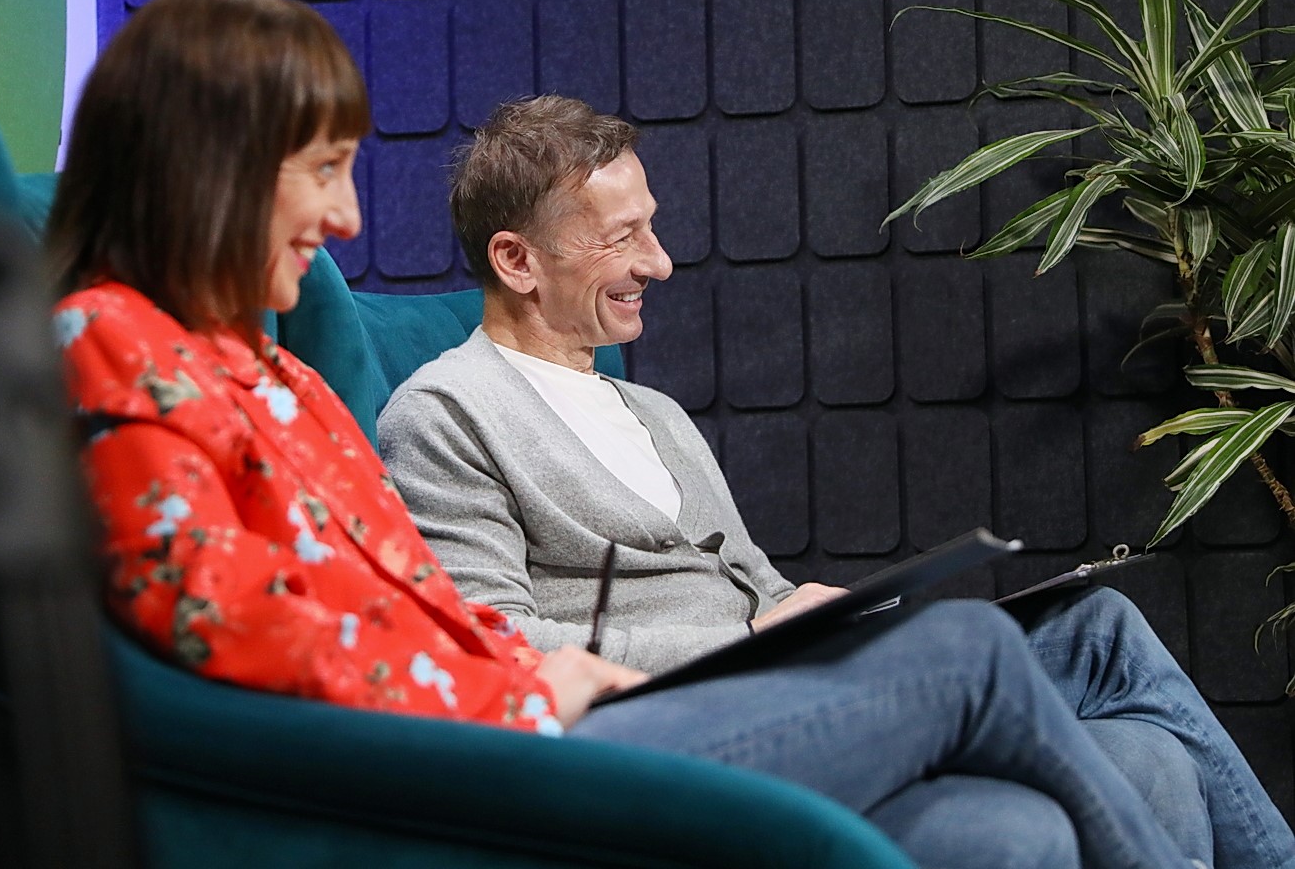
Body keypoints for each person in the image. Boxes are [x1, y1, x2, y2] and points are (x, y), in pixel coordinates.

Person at [45, 0, 1211, 869]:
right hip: (475, 760)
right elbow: (223, 620)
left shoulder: (281, 380)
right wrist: (522, 687)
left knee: (1018, 820)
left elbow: (426, 606)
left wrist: (548, 668)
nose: (349, 217)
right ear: (210, 167)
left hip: (529, 716)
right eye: (325, 168)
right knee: (967, 651)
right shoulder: (106, 342)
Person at [377, 95, 1295, 869]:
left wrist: (815, 612)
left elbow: (752, 585)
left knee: (1106, 648)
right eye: (625, 238)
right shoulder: (446, 412)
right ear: (517, 261)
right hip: (684, 719)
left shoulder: (652, 411)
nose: (659, 262)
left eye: (651, 227)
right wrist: (748, 637)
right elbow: (492, 642)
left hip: (785, 678)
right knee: (996, 687)